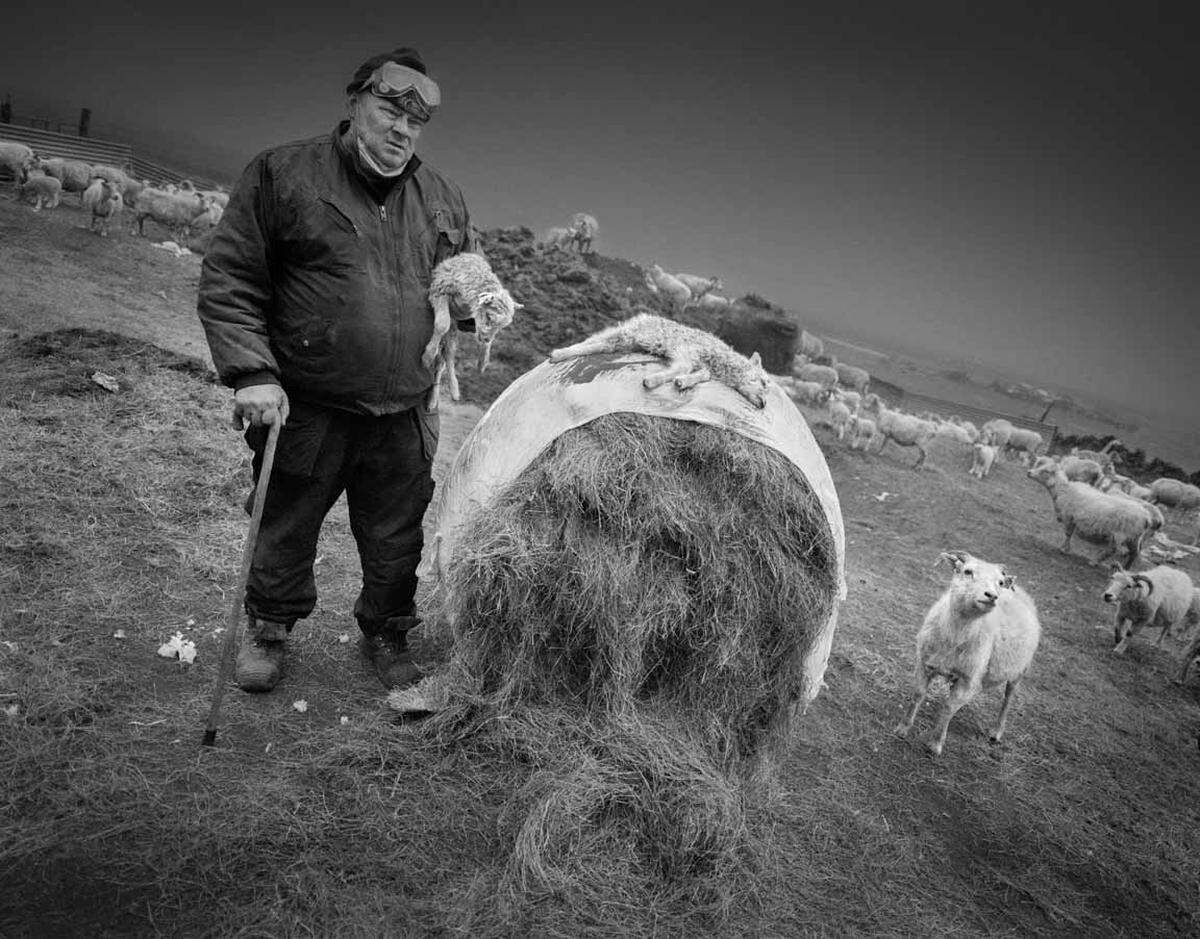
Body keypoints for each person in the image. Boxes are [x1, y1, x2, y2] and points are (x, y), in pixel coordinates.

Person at [196, 47, 477, 693]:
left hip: (404, 409)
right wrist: (252, 373)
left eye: (415, 122)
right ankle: (270, 627)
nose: (401, 130)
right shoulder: (283, 173)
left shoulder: (443, 198)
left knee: (396, 534)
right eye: (388, 110)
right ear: (355, 103)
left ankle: (387, 630)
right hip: (308, 401)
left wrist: (473, 305)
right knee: (286, 518)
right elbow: (232, 279)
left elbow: (462, 286)